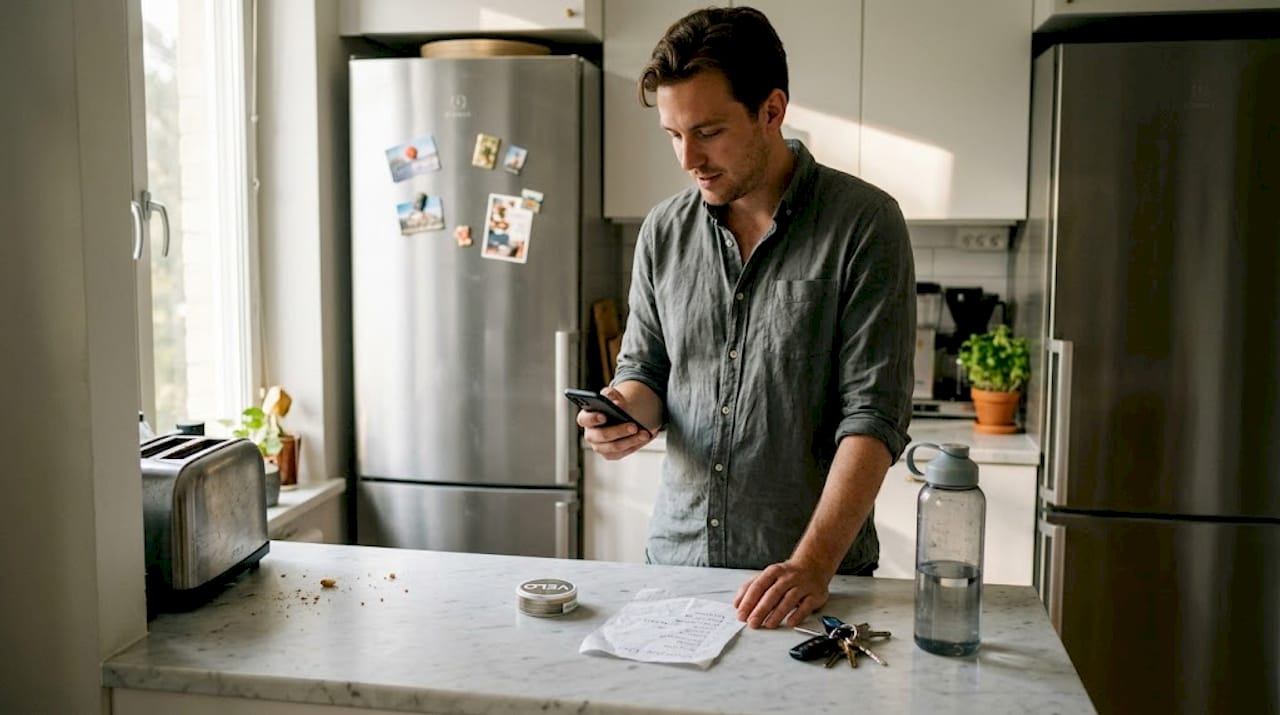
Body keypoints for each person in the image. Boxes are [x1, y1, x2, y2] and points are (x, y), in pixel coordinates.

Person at [577, 6, 914, 630]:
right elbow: (647, 373)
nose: (688, 159)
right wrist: (622, 415)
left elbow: (875, 417)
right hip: (674, 570)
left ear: (772, 111)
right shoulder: (662, 232)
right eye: (674, 135)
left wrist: (811, 565)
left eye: (707, 131)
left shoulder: (865, 224)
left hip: (811, 584)